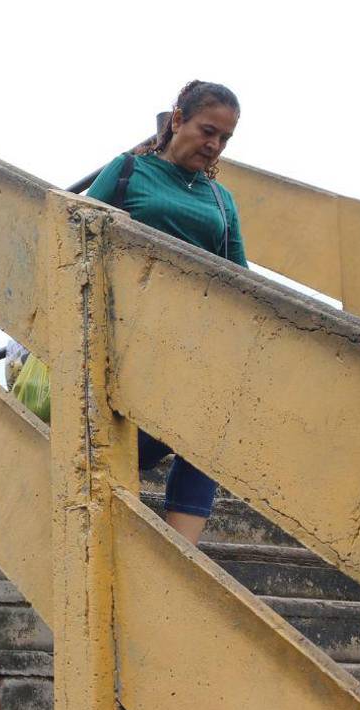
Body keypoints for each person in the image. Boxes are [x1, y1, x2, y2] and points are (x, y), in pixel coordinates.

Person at [86, 79, 246, 545]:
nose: (214, 145)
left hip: (194, 344)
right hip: (125, 336)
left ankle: (181, 556)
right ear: (178, 120)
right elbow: (73, 233)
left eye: (225, 139)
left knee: (206, 432)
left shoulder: (221, 199)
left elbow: (240, 279)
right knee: (121, 437)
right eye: (207, 130)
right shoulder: (129, 171)